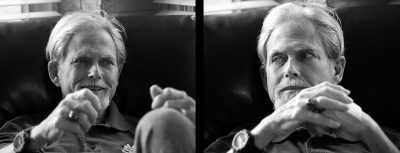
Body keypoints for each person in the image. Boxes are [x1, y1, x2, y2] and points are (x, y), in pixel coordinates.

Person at [205, 1, 400, 153]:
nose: (290, 69)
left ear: (337, 70)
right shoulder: (236, 142)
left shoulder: (382, 138)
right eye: (278, 59)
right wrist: (268, 129)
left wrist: (369, 132)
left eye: (305, 55)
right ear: (265, 79)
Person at [0, 11, 195, 153]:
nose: (95, 73)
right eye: (82, 61)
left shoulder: (146, 132)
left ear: (118, 72)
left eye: (107, 62)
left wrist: (189, 134)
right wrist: (39, 135)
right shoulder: (21, 129)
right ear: (55, 73)